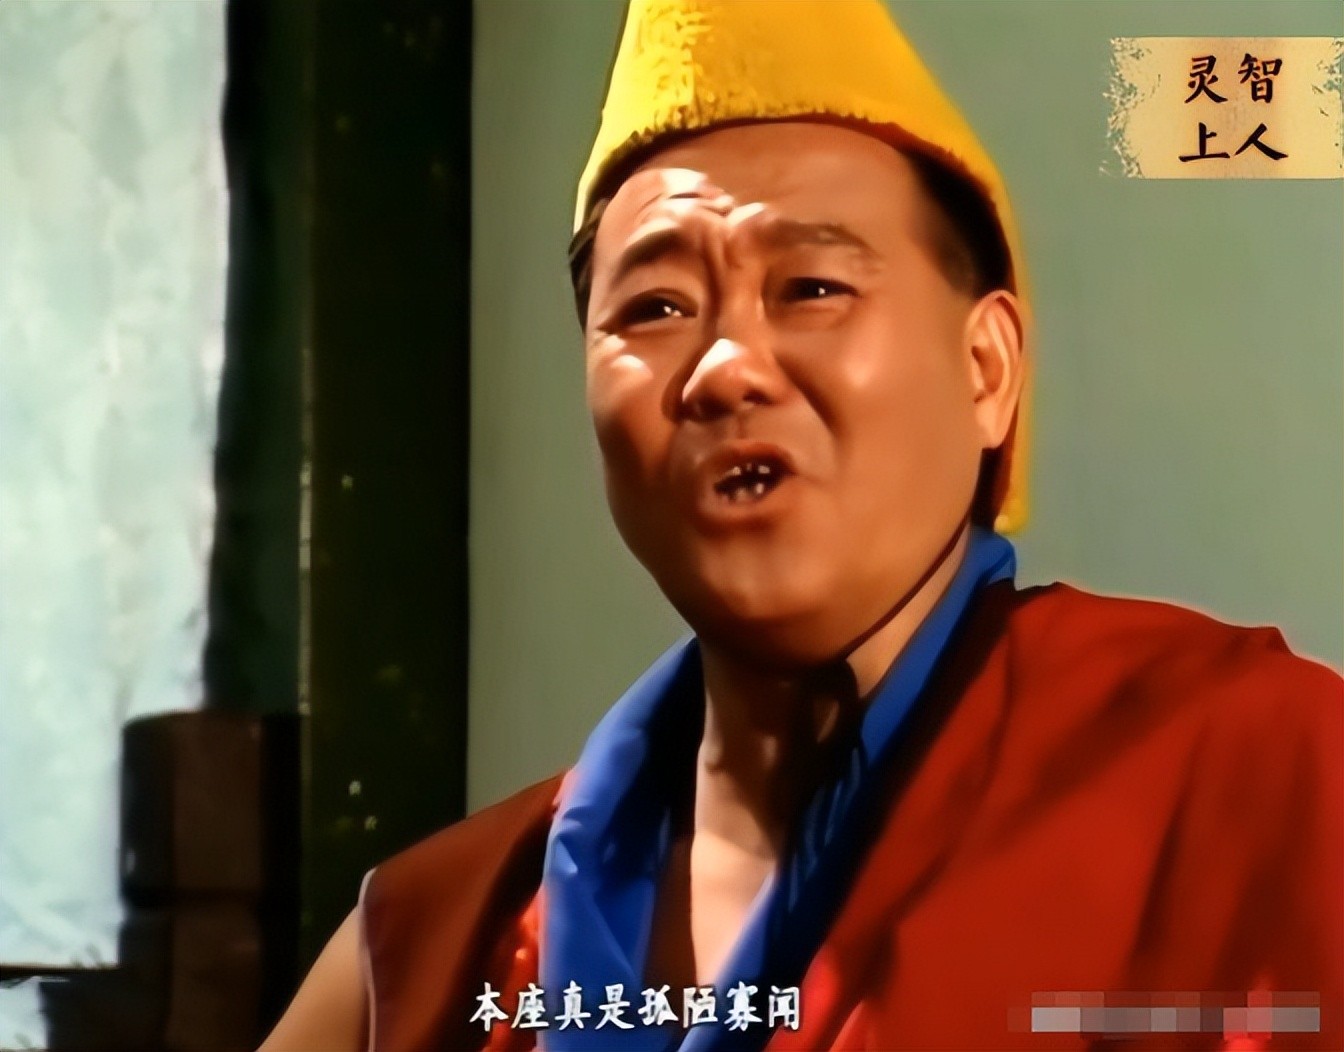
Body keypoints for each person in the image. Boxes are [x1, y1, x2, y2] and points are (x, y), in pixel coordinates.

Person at [260, 1, 1343, 1049]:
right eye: (655, 308)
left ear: (986, 370)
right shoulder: (434, 941)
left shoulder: (1250, 771)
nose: (726, 368)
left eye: (813, 287)